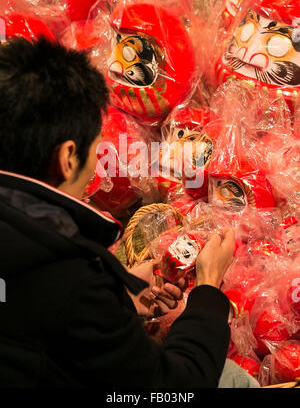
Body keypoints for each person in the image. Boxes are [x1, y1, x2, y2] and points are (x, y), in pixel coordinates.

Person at [0, 37, 256, 389]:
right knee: (235, 381)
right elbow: (172, 389)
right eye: (96, 145)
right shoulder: (71, 282)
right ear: (67, 158)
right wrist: (209, 289)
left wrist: (116, 296)